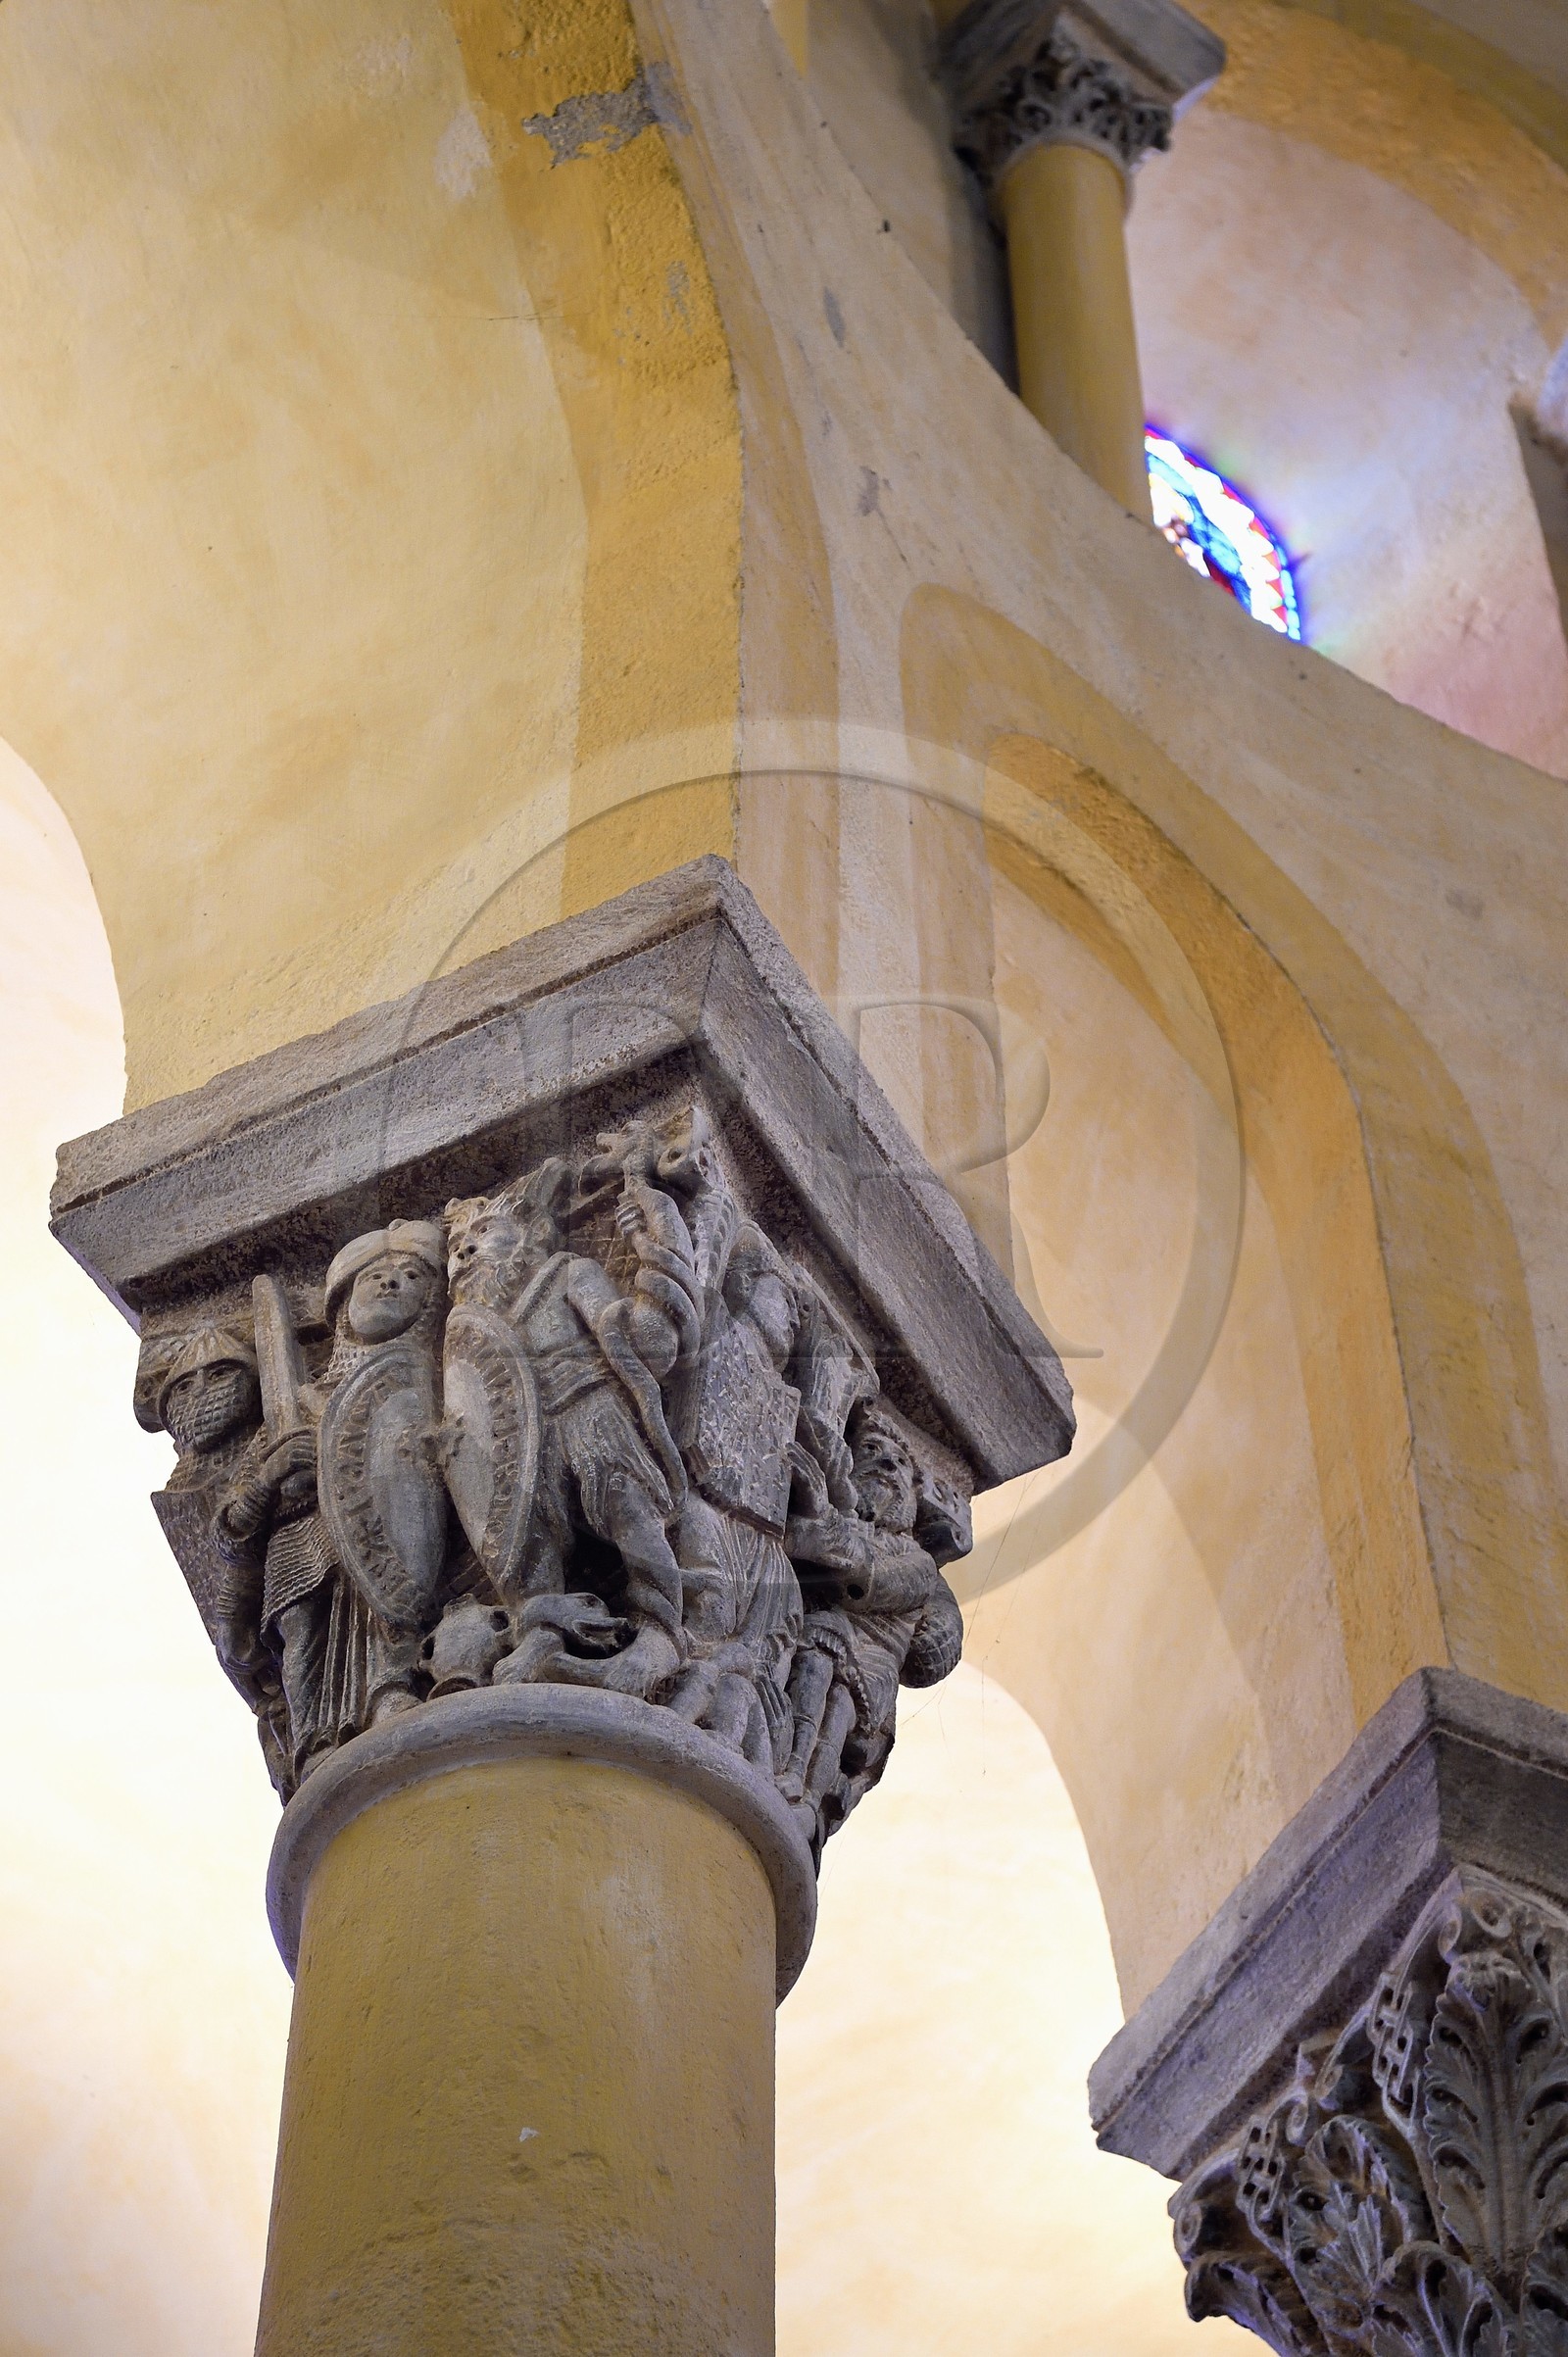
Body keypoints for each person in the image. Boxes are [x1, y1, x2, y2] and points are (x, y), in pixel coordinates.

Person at [446, 1157, 692, 1698]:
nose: (464, 1250)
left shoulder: (566, 1272)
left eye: (483, 1232)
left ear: (530, 1232)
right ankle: (543, 1629)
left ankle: (661, 1631)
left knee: (627, 1506)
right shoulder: (478, 1322)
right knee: (525, 1531)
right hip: (522, 1438)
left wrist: (651, 1256)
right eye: (456, 1244)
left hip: (588, 1409)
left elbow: (632, 1334)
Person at [215, 1219, 444, 1786]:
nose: (390, 1283)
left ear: (431, 1304)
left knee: (391, 1601)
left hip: (389, 1528)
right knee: (302, 1642)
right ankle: (312, 1743)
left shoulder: (429, 1383)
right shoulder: (298, 1406)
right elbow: (229, 1530)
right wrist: (270, 1477)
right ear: (341, 1309)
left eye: (411, 1276)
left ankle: (392, 1687)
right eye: (374, 1277)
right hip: (299, 1544)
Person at [781, 1404, 965, 1845]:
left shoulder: (917, 1559)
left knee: (840, 1699)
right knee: (816, 1652)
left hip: (874, 1663)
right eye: (871, 1451)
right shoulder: (848, 1519)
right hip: (823, 1632)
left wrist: (822, 1539)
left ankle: (806, 1795)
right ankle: (791, 1766)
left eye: (900, 1462)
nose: (887, 1465)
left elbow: (876, 1582)